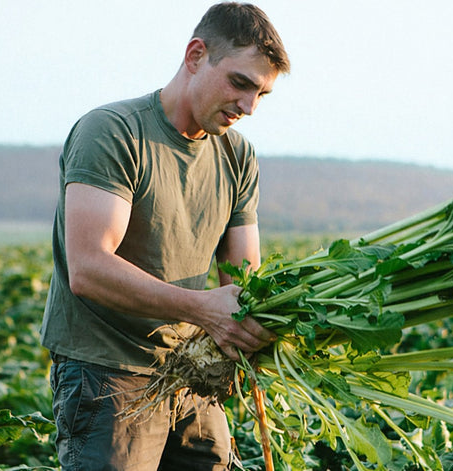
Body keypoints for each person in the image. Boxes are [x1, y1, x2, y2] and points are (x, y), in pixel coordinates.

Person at [40, 3, 290, 469]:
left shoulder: (237, 155)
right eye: (240, 83)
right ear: (195, 56)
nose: (249, 107)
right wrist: (204, 310)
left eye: (262, 93)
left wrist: (260, 324)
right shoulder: (114, 132)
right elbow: (89, 268)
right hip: (108, 374)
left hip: (192, 371)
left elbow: (243, 277)